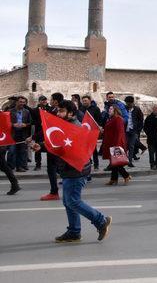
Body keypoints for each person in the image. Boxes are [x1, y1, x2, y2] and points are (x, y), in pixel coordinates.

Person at [32, 100, 112, 242]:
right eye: (58, 110)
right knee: (68, 202)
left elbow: (62, 146)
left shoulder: (74, 127)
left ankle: (101, 221)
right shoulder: (66, 125)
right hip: (69, 169)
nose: (58, 113)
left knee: (73, 201)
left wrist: (42, 146)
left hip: (76, 170)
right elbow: (57, 142)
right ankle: (74, 231)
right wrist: (41, 146)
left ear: (71, 113)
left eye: (61, 110)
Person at [102, 105, 131, 185]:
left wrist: (117, 144)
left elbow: (119, 132)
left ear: (115, 110)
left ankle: (126, 175)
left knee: (117, 162)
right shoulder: (111, 119)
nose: (109, 110)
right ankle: (113, 179)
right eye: (109, 109)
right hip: (111, 142)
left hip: (116, 143)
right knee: (113, 162)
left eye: (111, 109)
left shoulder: (118, 119)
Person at [80, 95, 102, 170]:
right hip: (84, 132)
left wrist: (98, 127)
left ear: (90, 101)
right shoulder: (81, 109)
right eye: (83, 101)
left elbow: (99, 119)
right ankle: (88, 163)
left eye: (85, 100)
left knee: (93, 149)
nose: (84, 102)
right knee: (84, 149)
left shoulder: (95, 109)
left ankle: (96, 165)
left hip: (92, 131)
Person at [9, 96, 31, 172]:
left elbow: (30, 123)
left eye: (23, 102)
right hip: (12, 133)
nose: (22, 103)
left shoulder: (27, 112)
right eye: (20, 102)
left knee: (21, 151)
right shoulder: (10, 111)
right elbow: (6, 123)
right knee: (12, 150)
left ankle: (19, 167)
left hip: (23, 133)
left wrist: (25, 125)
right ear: (16, 102)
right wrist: (13, 125)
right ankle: (10, 167)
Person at [31, 95, 50, 170]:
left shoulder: (49, 109)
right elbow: (33, 121)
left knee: (49, 147)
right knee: (37, 147)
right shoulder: (35, 110)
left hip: (47, 132)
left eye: (45, 100)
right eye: (42, 100)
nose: (44, 101)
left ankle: (50, 164)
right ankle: (38, 164)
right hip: (39, 131)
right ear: (39, 101)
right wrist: (40, 123)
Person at [124, 96, 144, 167]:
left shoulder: (137, 109)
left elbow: (141, 120)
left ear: (132, 103)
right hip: (125, 130)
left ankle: (129, 161)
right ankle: (124, 160)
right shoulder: (124, 109)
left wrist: (138, 130)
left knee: (131, 146)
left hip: (133, 130)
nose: (128, 105)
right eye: (127, 103)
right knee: (125, 145)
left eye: (129, 103)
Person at [143, 104, 157, 170]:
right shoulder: (149, 118)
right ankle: (152, 164)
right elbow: (145, 127)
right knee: (151, 152)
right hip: (151, 138)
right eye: (156, 109)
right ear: (153, 109)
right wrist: (149, 134)